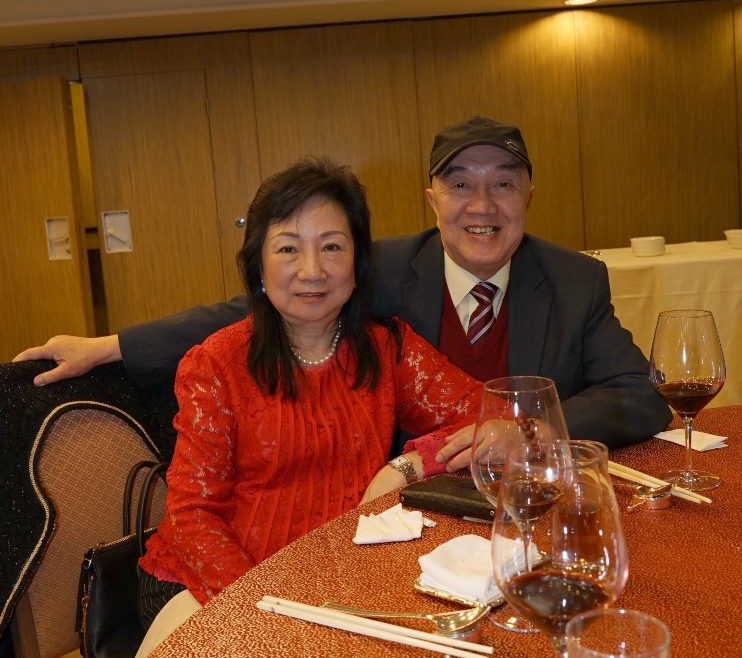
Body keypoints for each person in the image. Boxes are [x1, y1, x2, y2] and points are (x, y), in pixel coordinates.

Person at [16, 117, 670, 452]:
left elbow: (640, 394)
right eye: (460, 185)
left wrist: (530, 429)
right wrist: (111, 346)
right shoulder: (380, 269)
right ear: (432, 199)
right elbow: (256, 310)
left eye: (503, 183)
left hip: (532, 500)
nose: (482, 205)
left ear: (528, 194)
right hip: (406, 509)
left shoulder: (575, 280)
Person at [132, 156, 490, 656]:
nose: (312, 270)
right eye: (287, 249)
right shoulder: (217, 364)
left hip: (335, 580)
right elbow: (193, 516)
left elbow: (493, 415)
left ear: (357, 263)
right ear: (258, 266)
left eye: (332, 247)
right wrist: (265, 604)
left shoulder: (386, 348)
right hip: (214, 581)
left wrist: (408, 465)